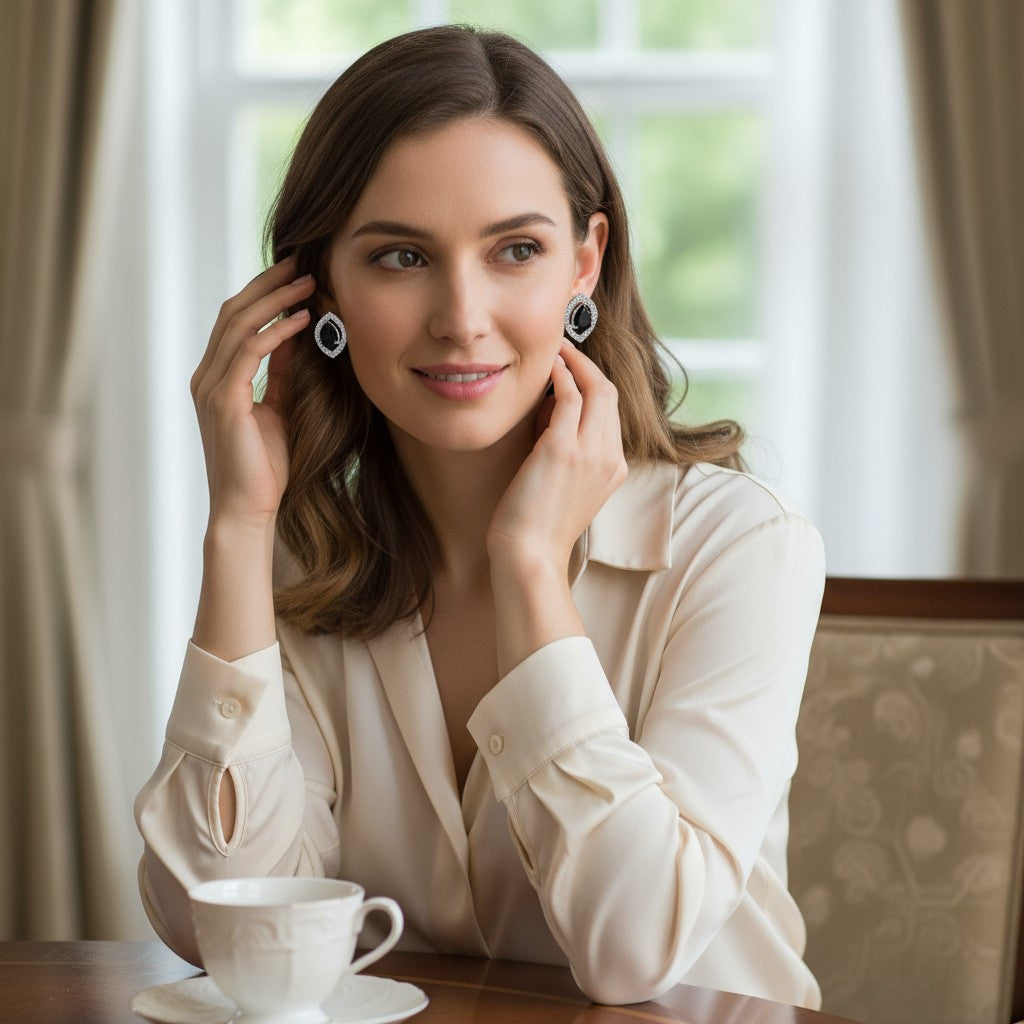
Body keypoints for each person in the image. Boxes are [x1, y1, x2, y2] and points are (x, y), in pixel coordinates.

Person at [135, 24, 825, 1008]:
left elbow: (633, 952)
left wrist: (532, 568)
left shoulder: (737, 548)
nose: (461, 315)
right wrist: (239, 529)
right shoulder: (308, 559)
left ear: (585, 262)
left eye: (515, 249)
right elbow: (214, 917)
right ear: (316, 283)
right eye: (402, 256)